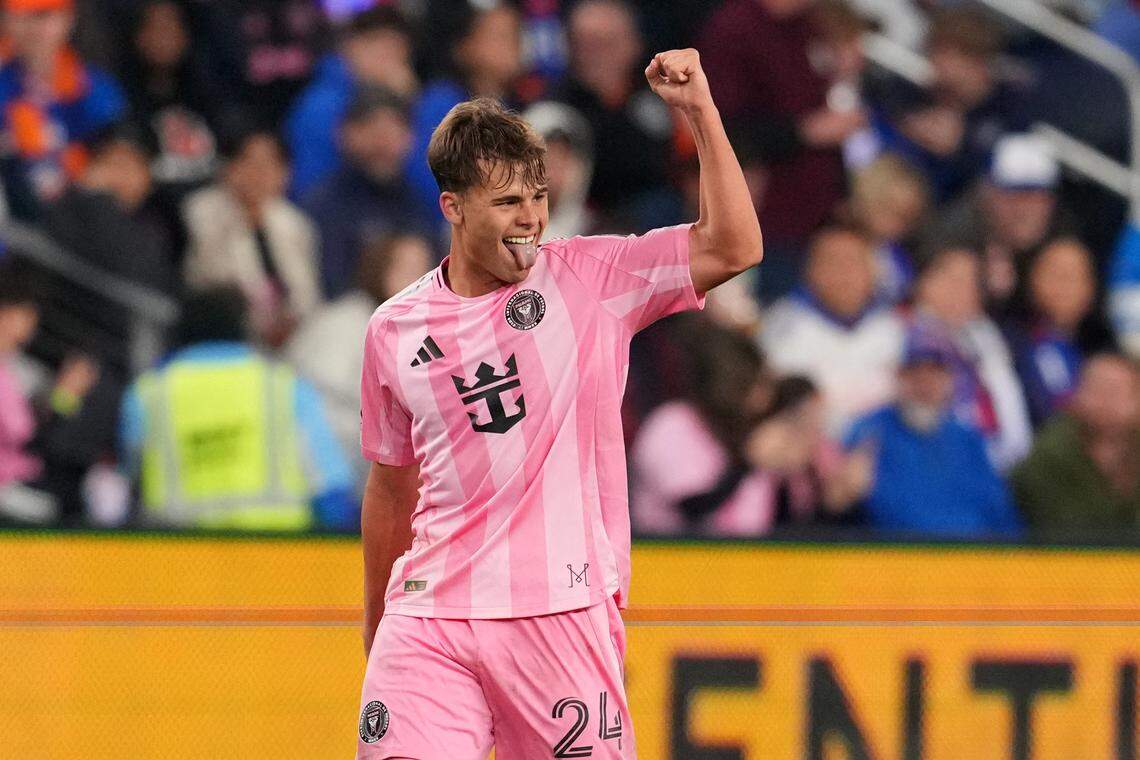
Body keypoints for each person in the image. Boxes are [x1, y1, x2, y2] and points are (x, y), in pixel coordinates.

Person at [356, 48, 762, 758]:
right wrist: (377, 619)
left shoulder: (591, 278)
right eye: (508, 201)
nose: (531, 220)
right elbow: (392, 488)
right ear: (452, 207)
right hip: (430, 617)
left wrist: (699, 112)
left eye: (538, 196)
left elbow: (733, 245)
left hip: (558, 614)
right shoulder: (394, 329)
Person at [119, 287, 356, 532]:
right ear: (245, 328)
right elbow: (332, 492)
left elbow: (127, 481)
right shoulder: (286, 388)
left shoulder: (147, 394)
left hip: (178, 559)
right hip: (279, 558)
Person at [844, 323, 1023, 538]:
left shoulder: (968, 438)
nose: (925, 384)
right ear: (899, 376)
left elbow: (1001, 513)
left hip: (972, 561)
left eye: (935, 373)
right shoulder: (868, 432)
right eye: (915, 373)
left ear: (949, 380)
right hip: (895, 560)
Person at [286, 232, 433, 493]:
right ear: (379, 270)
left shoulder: (413, 335)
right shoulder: (344, 322)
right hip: (318, 475)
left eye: (426, 271)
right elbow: (319, 403)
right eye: (408, 269)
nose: (420, 281)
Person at [182, 129, 321, 349]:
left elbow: (309, 294)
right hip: (225, 336)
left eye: (270, 164)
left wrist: (292, 320)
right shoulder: (201, 213)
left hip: (292, 340)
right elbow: (209, 280)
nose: (259, 173)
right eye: (249, 162)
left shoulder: (295, 224)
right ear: (229, 166)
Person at [760, 224, 905, 435]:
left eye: (852, 262)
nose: (842, 273)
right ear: (809, 270)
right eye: (831, 262)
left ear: (873, 271)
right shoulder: (780, 327)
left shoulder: (899, 329)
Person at [0, 0, 127, 219]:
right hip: (20, 220)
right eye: (19, 17)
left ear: (67, 18)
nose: (32, 28)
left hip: (86, 214)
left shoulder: (93, 86)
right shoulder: (4, 84)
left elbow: (123, 155)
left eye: (42, 16)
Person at [911, 244, 1032, 470]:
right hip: (941, 466)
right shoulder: (906, 336)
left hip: (1002, 465)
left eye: (971, 283)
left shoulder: (985, 334)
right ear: (924, 282)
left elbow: (1011, 408)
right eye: (952, 280)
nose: (961, 290)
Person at [300, 87, 430, 299]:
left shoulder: (417, 201)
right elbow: (330, 286)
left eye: (393, 130)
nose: (383, 142)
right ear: (345, 134)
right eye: (372, 128)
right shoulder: (323, 203)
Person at [285, 6, 417, 198]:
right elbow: (310, 189)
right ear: (351, 46)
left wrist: (409, 103)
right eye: (380, 45)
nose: (390, 59)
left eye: (398, 49)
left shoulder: (405, 97)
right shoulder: (321, 105)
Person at [1011, 353, 1140, 538]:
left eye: (1116, 392)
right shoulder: (1048, 457)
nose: (1105, 402)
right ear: (1078, 393)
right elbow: (1062, 529)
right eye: (1097, 390)